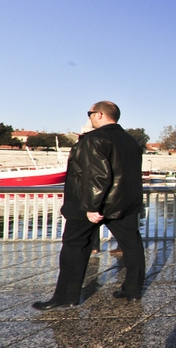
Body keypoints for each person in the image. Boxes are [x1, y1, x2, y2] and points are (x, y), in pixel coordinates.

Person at [33, 101, 146, 310]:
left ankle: (66, 296)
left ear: (100, 114)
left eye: (90, 113)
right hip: (124, 204)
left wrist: (92, 207)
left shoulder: (94, 139)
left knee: (74, 246)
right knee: (132, 246)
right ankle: (133, 290)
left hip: (90, 205)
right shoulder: (131, 141)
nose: (89, 117)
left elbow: (97, 176)